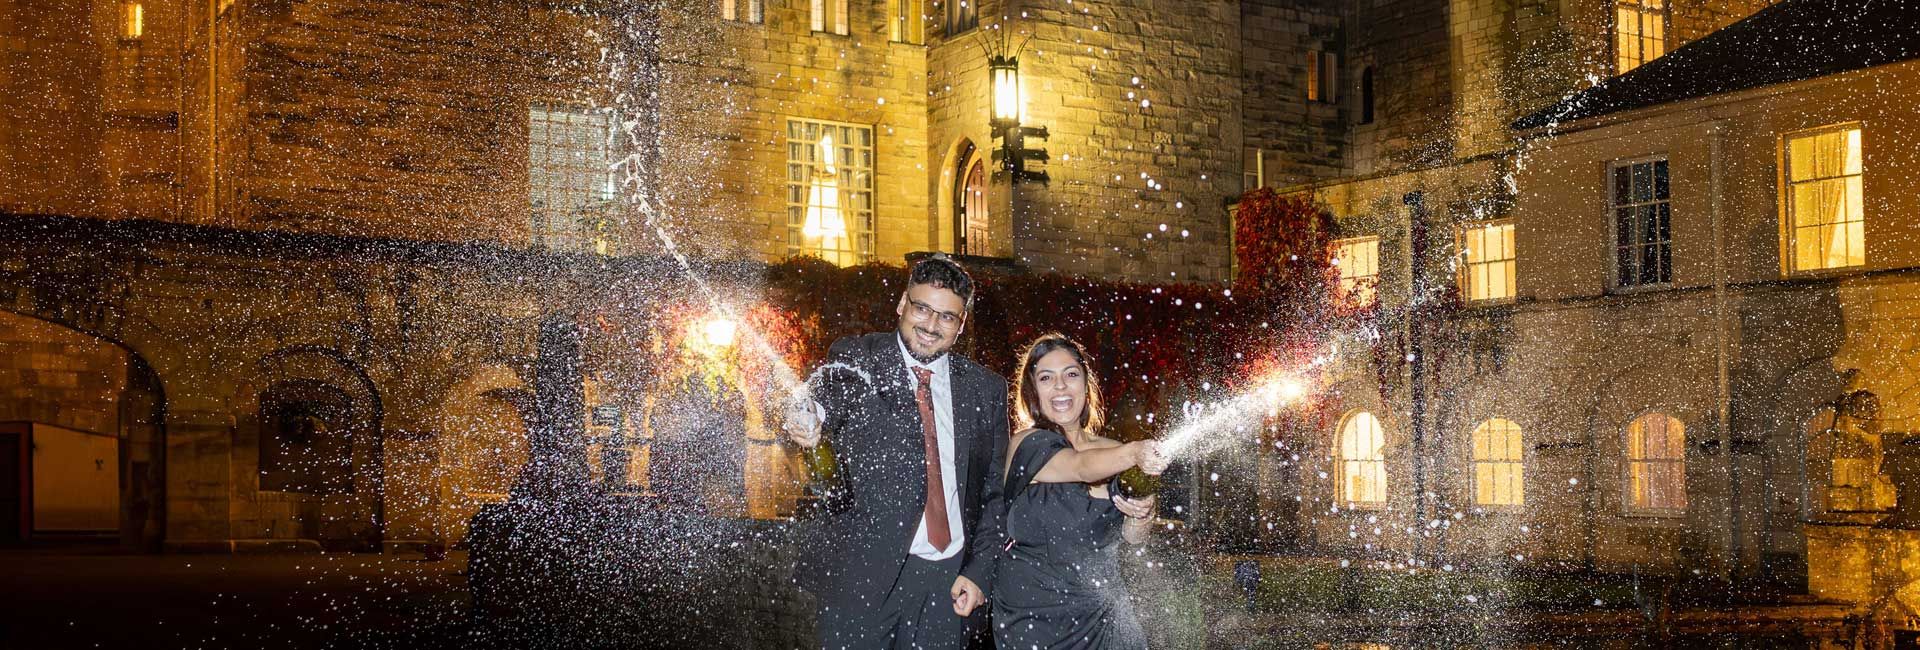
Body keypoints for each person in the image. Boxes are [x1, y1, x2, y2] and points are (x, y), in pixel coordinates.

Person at [783, 256, 1010, 650]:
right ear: (902, 305)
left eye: (946, 317)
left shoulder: (985, 389)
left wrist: (979, 572)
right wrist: (809, 418)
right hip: (861, 577)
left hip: (948, 583)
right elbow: (828, 397)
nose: (930, 325)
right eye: (922, 308)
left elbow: (994, 495)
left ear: (960, 326)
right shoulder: (859, 358)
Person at [995, 333, 1168, 650]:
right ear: (1033, 391)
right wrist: (1133, 454)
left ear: (1086, 383)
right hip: (1035, 618)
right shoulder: (1027, 444)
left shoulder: (1113, 451)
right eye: (1047, 378)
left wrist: (1142, 512)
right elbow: (1078, 466)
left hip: (1105, 614)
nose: (1060, 387)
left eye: (1071, 374)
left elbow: (1133, 538)